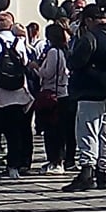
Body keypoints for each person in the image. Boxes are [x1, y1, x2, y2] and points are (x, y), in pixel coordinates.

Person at [63, 4, 106, 192]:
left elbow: (74, 62)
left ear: (89, 20)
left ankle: (87, 172)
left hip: (90, 90)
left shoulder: (90, 37)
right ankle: (104, 172)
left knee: (88, 131)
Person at [0, 12, 34, 181]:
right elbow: (24, 63)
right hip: (17, 94)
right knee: (14, 132)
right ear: (11, 25)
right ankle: (13, 167)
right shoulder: (20, 42)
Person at [35, 23, 69, 175]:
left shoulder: (53, 52)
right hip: (62, 93)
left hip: (53, 93)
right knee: (58, 130)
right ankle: (58, 159)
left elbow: (48, 73)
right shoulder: (64, 51)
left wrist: (36, 68)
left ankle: (55, 160)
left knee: (52, 131)